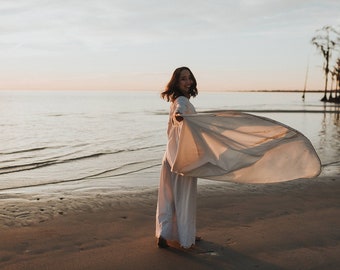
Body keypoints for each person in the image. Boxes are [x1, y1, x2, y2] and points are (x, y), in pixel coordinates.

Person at [155, 67, 199, 249]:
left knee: (169, 196)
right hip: (182, 158)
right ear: (176, 82)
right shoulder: (180, 101)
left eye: (189, 78)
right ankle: (184, 236)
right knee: (183, 197)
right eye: (183, 79)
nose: (188, 82)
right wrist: (180, 116)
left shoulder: (176, 99)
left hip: (171, 155)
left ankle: (165, 234)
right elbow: (179, 114)